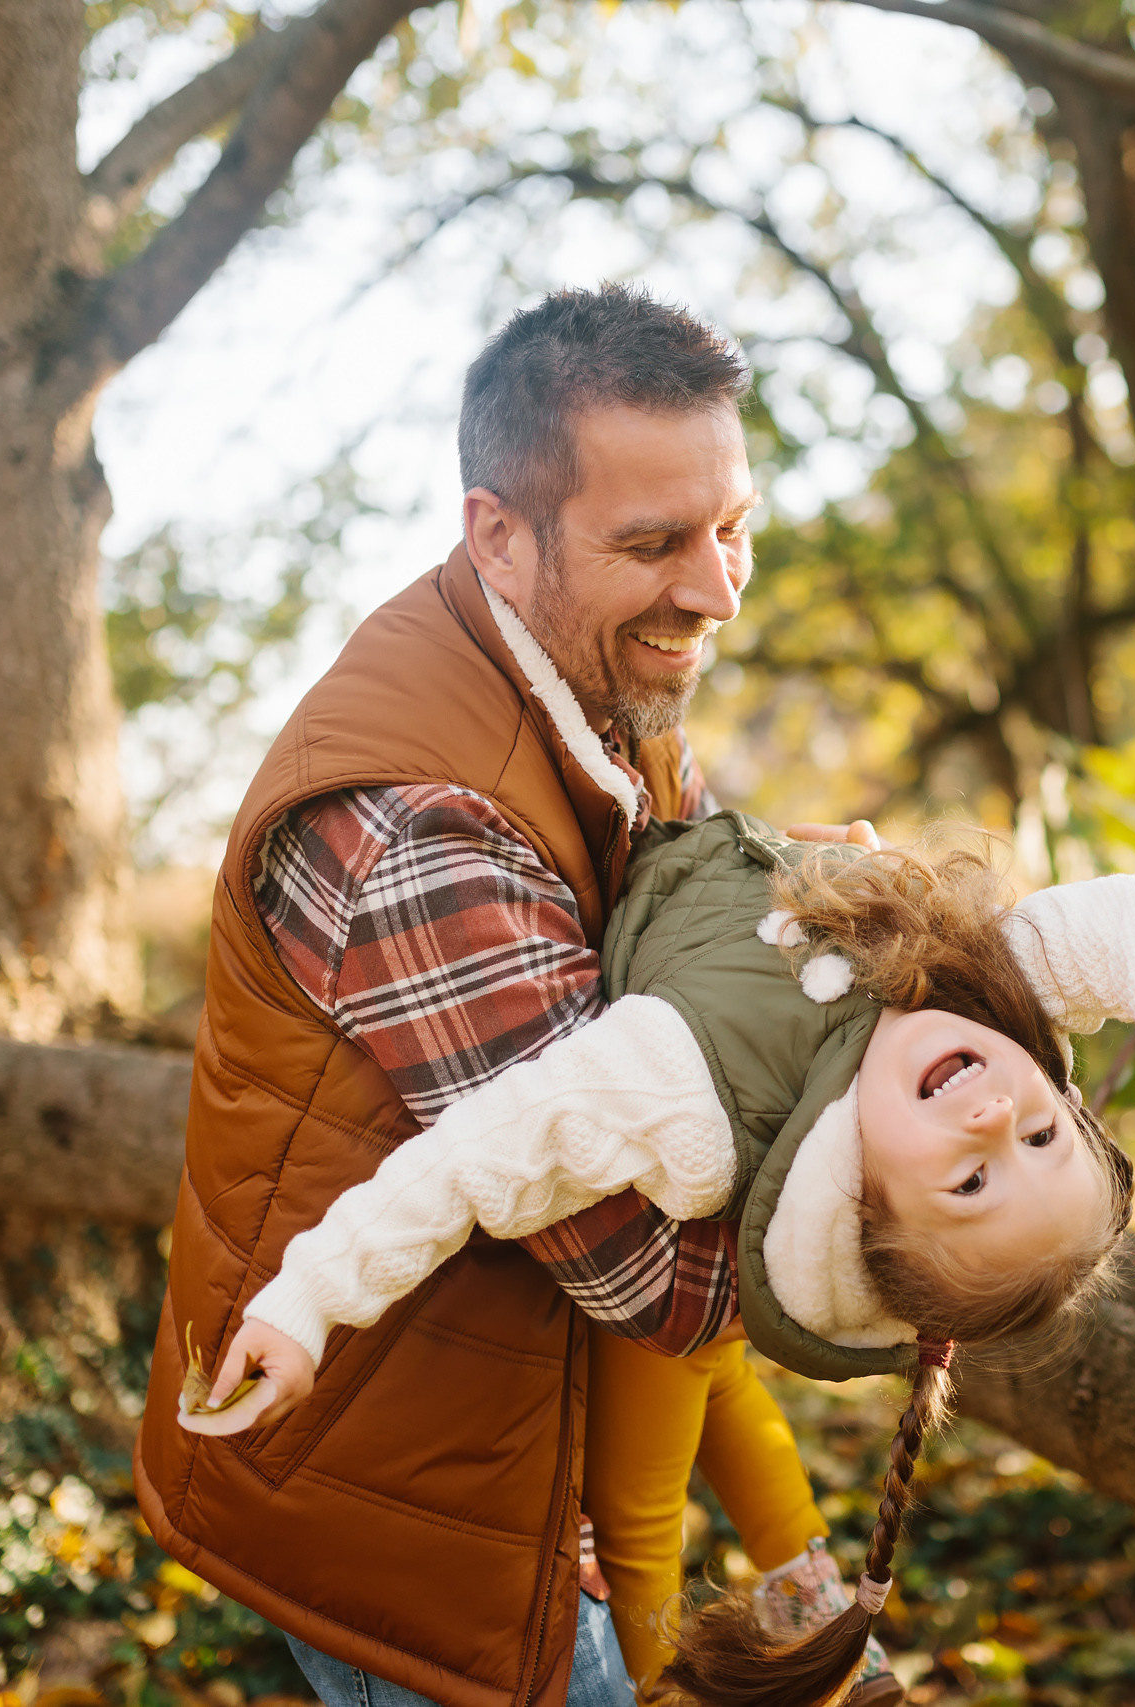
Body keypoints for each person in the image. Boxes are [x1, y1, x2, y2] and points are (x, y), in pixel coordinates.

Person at [182, 816, 1135, 1706]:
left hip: (646, 1100)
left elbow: (478, 1157)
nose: (998, 1120)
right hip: (722, 847)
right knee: (734, 1415)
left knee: (645, 1490)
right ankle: (818, 1613)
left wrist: (308, 1304)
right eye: (1044, 1135)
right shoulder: (987, 991)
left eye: (972, 1181)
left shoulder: (684, 1098)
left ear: (860, 1212)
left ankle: (658, 1674)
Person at [138, 286, 786, 1707]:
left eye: (733, 524)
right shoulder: (420, 824)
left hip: (519, 1436)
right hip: (407, 1498)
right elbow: (650, 1273)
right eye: (655, 543)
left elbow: (695, 957)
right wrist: (935, 1217)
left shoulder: (596, 690)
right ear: (500, 530)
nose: (718, 587)